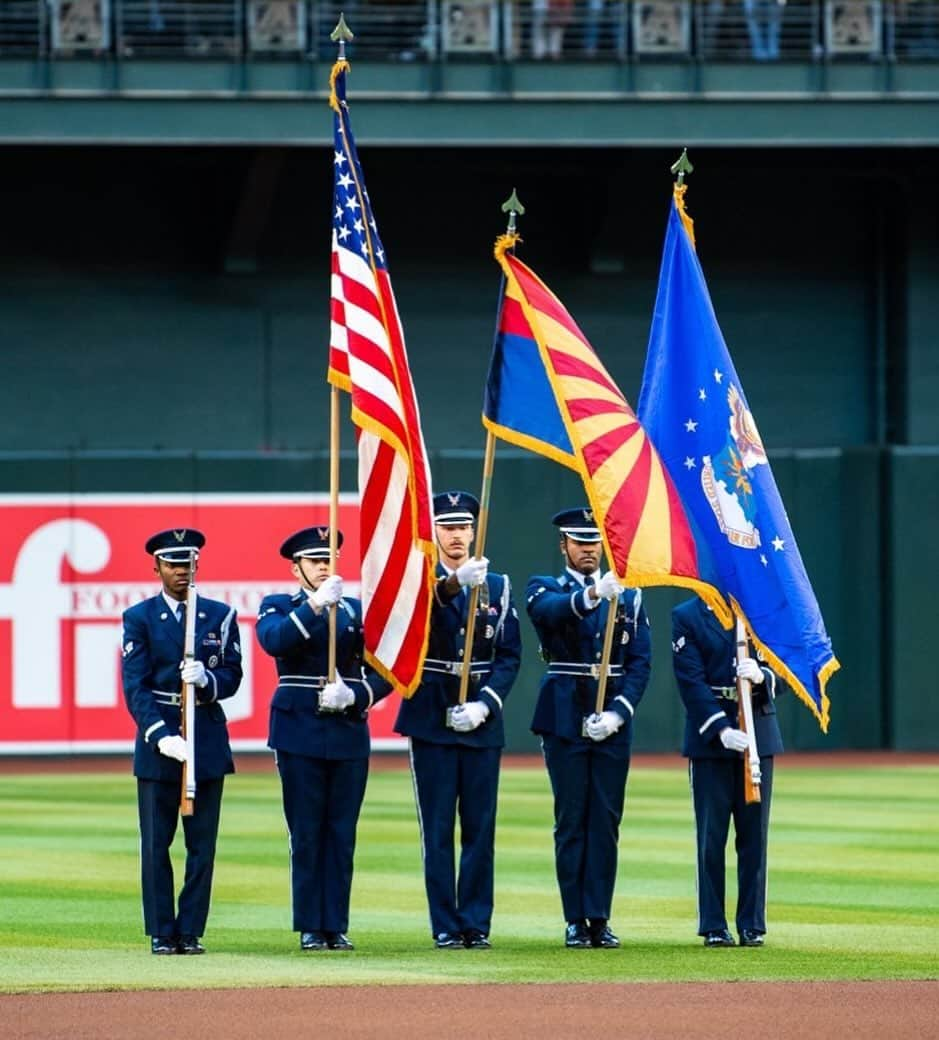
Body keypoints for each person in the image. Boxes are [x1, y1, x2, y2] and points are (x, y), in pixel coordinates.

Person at [255, 526, 392, 952]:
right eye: (314, 561)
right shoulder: (279, 605)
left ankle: (336, 923)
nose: (323, 567)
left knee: (341, 831)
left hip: (347, 726)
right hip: (299, 729)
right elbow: (274, 642)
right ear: (296, 569)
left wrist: (356, 694)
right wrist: (315, 605)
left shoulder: (354, 611)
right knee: (307, 831)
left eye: (328, 560)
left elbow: (385, 668)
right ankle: (311, 925)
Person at [395, 490, 521, 949]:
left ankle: (475, 923)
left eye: (464, 527)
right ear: (434, 531)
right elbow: (416, 621)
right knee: (438, 828)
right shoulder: (418, 580)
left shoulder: (499, 586)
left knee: (480, 827)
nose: (456, 536)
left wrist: (486, 704)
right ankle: (445, 924)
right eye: (447, 527)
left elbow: (509, 655)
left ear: (474, 530)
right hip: (431, 710)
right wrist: (452, 585)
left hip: (481, 718)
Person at [526, 507, 651, 949]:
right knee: (572, 818)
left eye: (593, 542)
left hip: (611, 716)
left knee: (606, 819)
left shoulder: (629, 596)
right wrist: (594, 595)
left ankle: (599, 916)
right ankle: (574, 918)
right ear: (564, 546)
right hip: (564, 711)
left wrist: (619, 711)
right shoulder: (545, 586)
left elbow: (639, 662)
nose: (588, 549)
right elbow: (550, 613)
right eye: (579, 542)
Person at [121, 528, 243, 955]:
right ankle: (161, 930)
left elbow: (233, 675)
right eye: (172, 564)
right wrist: (160, 736)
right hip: (160, 739)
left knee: (202, 844)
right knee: (156, 843)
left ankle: (190, 930)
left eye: (187, 563)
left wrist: (208, 680)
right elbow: (134, 687)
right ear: (156, 567)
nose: (181, 572)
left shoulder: (219, 615)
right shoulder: (139, 618)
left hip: (205, 733)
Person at [671, 595, 783, 947]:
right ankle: (714, 924)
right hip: (711, 738)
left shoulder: (762, 608)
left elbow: (786, 663)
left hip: (758, 733)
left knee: (754, 839)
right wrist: (720, 727)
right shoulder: (687, 615)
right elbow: (690, 681)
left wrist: (763, 675)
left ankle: (752, 923)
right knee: (711, 837)